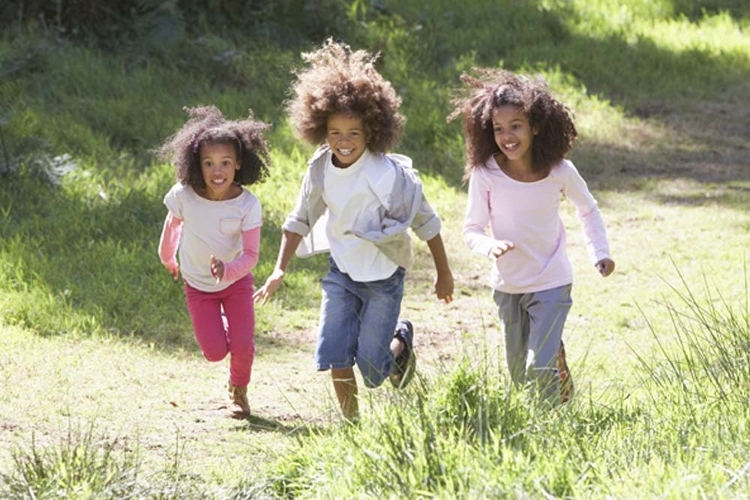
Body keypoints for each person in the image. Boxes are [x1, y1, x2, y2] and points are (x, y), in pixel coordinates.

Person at [253, 39, 454, 421]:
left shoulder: (389, 176)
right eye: (334, 133)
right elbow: (299, 218)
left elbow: (426, 220)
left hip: (383, 279)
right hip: (341, 273)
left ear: (372, 132)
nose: (343, 142)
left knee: (375, 372)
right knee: (335, 357)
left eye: (353, 134)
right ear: (319, 128)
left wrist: (443, 272)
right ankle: (352, 429)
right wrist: (280, 268)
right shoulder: (320, 169)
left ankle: (401, 341)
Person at [449, 68, 615, 405]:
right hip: (508, 285)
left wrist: (599, 252)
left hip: (551, 279)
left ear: (535, 127)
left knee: (537, 367)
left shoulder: (559, 171)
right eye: (498, 129)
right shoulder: (486, 174)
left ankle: (553, 423)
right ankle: (555, 358)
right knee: (519, 374)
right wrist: (489, 246)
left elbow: (588, 208)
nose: (507, 136)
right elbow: (471, 229)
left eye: (516, 126)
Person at [156, 105, 271, 416]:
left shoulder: (247, 205)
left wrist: (227, 270)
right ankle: (222, 330)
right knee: (215, 352)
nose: (217, 171)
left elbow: (251, 255)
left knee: (244, 346)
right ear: (196, 164)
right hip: (198, 285)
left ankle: (239, 391)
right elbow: (172, 227)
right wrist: (168, 258)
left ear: (238, 165)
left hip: (236, 283)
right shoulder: (184, 195)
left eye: (225, 163)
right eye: (208, 163)